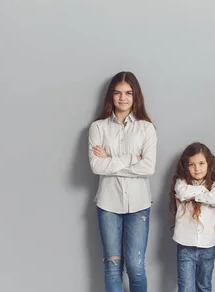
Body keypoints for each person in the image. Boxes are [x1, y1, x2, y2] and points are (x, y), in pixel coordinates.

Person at [88, 71, 157, 292]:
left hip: (139, 205)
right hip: (108, 204)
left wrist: (111, 161)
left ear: (136, 96)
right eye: (117, 93)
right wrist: (130, 160)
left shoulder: (146, 128)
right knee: (112, 265)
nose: (123, 98)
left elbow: (148, 168)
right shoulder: (98, 128)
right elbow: (96, 167)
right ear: (111, 96)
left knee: (136, 267)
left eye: (128, 93)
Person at [169, 142, 215, 292]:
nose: (197, 169)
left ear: (209, 164)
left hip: (208, 246)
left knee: (204, 286)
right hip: (185, 245)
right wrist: (202, 191)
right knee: (186, 288)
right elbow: (183, 193)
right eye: (192, 165)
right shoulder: (181, 183)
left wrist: (194, 194)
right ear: (185, 166)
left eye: (201, 163)